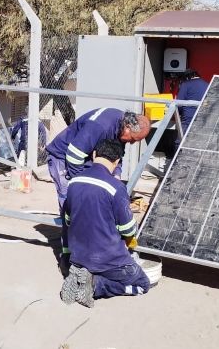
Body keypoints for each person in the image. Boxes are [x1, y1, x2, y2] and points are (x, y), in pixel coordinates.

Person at [59, 139, 150, 307]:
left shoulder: (73, 182)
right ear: (117, 161)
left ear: (94, 155)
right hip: (108, 261)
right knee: (142, 284)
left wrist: (66, 256)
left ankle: (80, 275)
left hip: (77, 256)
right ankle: (95, 285)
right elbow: (128, 230)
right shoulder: (116, 187)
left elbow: (68, 221)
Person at [45, 108, 150, 209]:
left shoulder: (122, 127)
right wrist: (83, 183)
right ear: (128, 127)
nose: (132, 143)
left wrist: (116, 175)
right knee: (72, 196)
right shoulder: (99, 126)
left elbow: (116, 154)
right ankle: (70, 219)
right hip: (63, 156)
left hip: (84, 157)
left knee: (91, 197)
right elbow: (74, 156)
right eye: (133, 139)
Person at [175, 70, 209, 150]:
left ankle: (178, 156)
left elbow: (179, 103)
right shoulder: (207, 84)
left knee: (180, 141)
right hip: (203, 118)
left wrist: (178, 114)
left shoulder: (186, 84)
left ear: (187, 77)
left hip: (188, 117)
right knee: (197, 141)